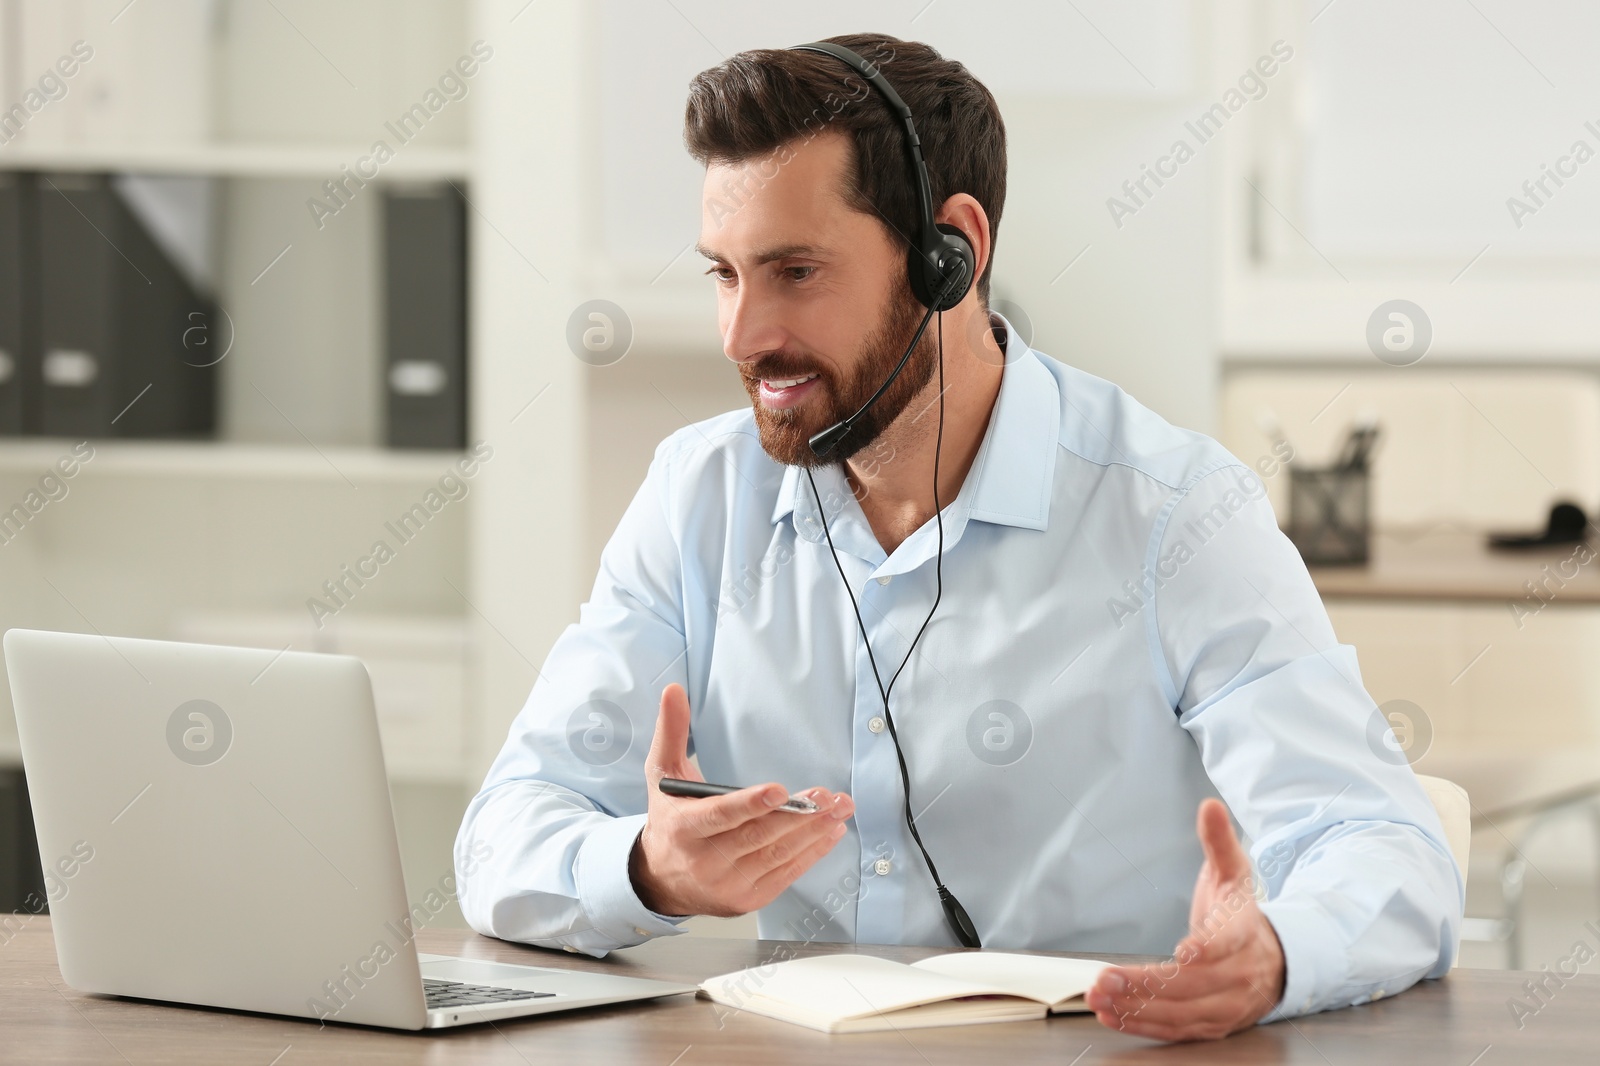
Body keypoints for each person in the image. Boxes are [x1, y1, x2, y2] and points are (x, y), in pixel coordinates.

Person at [455, 32, 1461, 1042]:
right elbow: (505, 831)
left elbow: (1382, 844)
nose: (741, 333)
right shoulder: (698, 496)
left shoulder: (1174, 513)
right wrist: (645, 868)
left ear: (951, 255)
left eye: (794, 271)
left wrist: (1278, 951)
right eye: (724, 273)